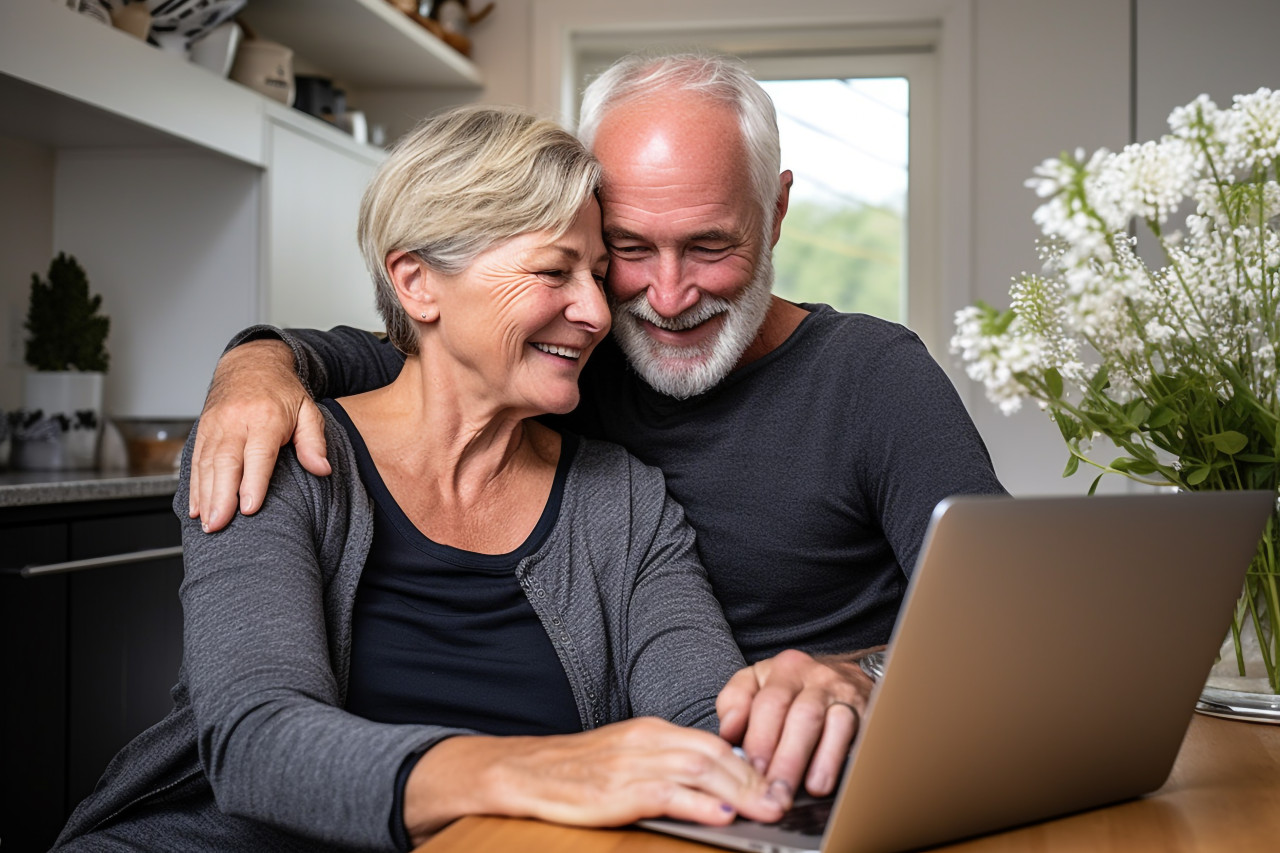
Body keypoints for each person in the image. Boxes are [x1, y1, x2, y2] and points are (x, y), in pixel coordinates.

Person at [188, 53, 1006, 797]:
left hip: (815, 774)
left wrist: (866, 677)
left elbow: (1016, 632)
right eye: (622, 251)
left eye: (710, 244)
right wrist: (254, 364)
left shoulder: (839, 392)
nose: (664, 295)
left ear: (778, 211)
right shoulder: (303, 441)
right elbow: (400, 354)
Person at [54, 106, 851, 853]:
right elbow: (256, 741)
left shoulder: (624, 499)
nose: (598, 311)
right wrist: (527, 768)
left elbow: (701, 717)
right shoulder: (279, 450)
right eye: (554, 270)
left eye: (599, 274)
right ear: (417, 283)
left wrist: (789, 724)